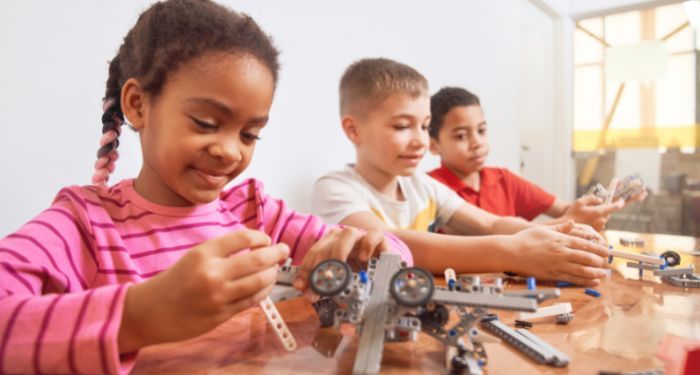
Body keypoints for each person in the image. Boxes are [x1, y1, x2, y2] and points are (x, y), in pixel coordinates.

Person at [0, 2, 411, 373]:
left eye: (250, 135)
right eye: (206, 124)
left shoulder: (255, 212)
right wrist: (141, 315)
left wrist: (372, 251)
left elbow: (395, 258)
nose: (229, 151)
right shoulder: (84, 225)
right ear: (138, 105)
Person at [311, 58, 609, 286]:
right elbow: (390, 243)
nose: (421, 140)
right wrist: (515, 252)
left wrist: (561, 231)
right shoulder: (334, 189)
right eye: (402, 126)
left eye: (425, 126)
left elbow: (491, 225)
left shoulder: (422, 185)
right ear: (353, 129)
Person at [428, 86, 642, 231]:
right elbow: (491, 233)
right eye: (461, 136)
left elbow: (567, 210)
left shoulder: (503, 179)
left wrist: (610, 200)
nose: (477, 143)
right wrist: (569, 222)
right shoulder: (432, 189)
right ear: (433, 144)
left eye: (482, 131)